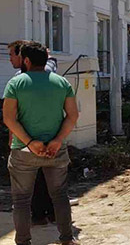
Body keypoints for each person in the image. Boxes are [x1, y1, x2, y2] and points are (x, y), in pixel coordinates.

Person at [4, 42, 79, 245]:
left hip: (23, 152)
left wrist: (29, 142)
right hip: (55, 151)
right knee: (60, 196)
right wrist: (57, 140)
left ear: (26, 61)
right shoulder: (62, 83)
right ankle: (67, 239)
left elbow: (9, 119)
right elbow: (72, 116)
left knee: (21, 200)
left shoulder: (15, 84)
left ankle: (23, 242)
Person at [7, 40, 58, 226]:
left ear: (24, 58)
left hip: (28, 136)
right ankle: (51, 213)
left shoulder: (18, 80)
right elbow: (52, 62)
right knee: (49, 176)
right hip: (49, 134)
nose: (10, 59)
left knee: (32, 179)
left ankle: (38, 215)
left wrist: (13, 137)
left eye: (12, 55)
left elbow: (12, 115)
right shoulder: (49, 74)